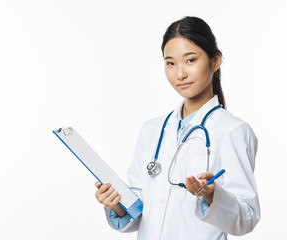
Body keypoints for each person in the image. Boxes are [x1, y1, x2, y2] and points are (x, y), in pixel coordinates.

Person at [95, 16, 260, 239]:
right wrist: (116, 204)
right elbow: (143, 207)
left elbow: (246, 219)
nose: (179, 74)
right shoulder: (152, 130)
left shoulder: (233, 130)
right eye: (170, 63)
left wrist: (212, 196)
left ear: (215, 61)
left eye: (190, 60)